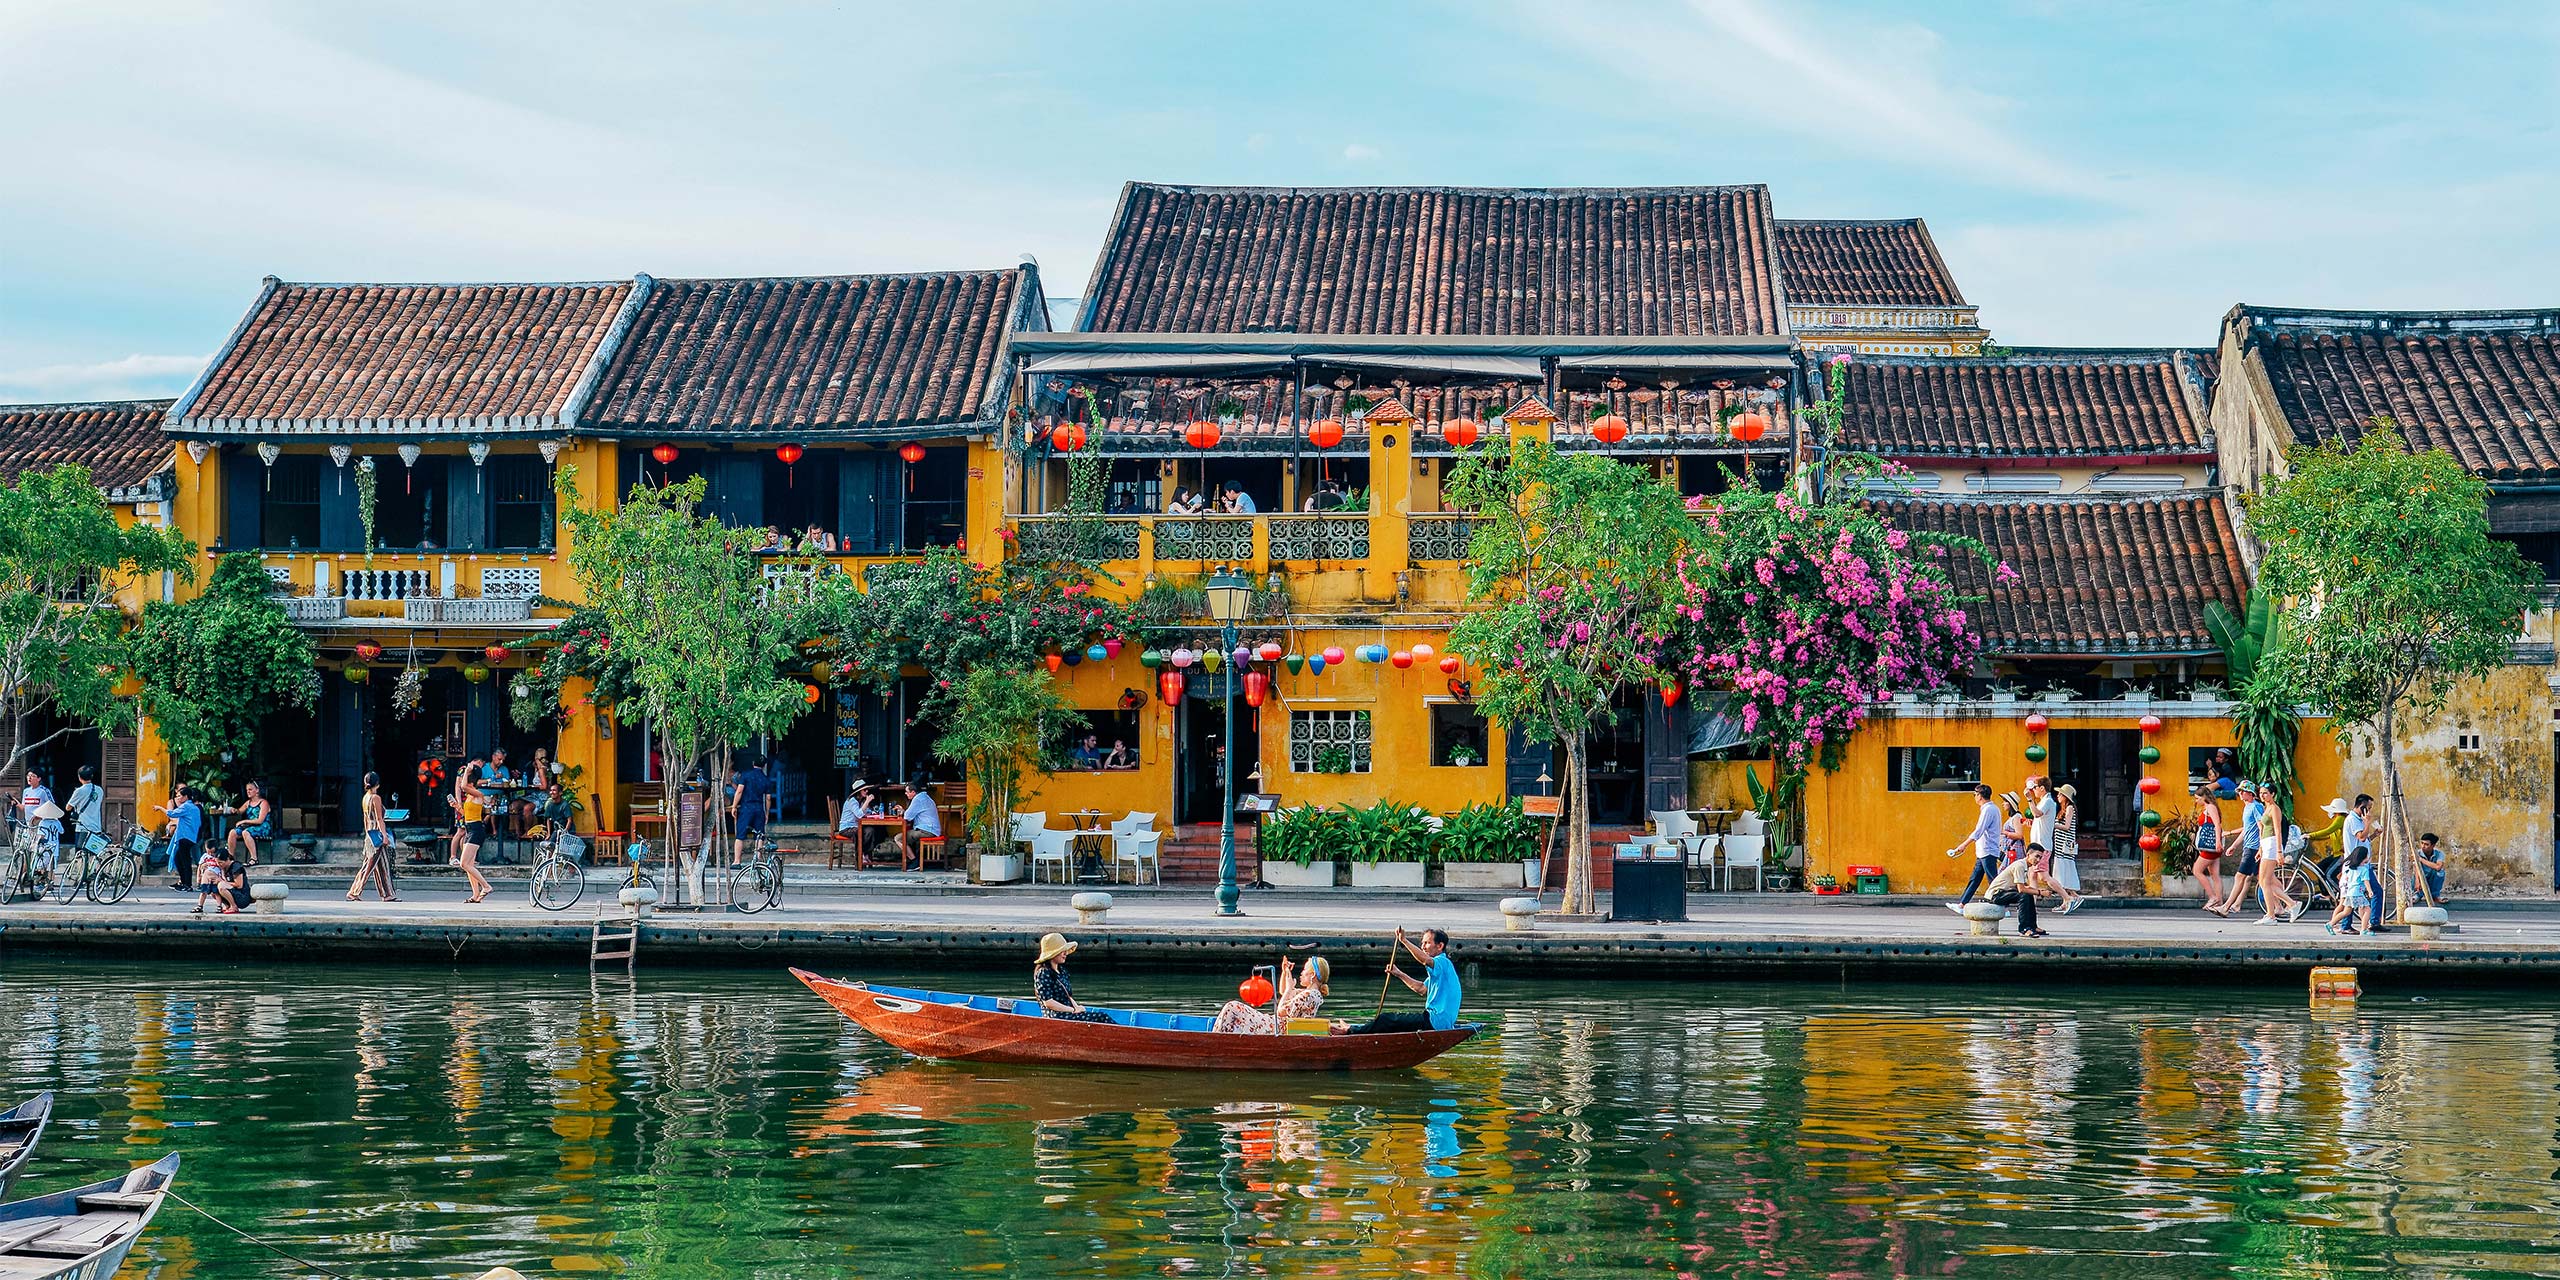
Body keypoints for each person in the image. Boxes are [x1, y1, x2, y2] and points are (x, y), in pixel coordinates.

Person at [1336, 928, 1462, 1035]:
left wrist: (1404, 941)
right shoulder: (1440, 972)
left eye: (1427, 943)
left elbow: (1425, 960)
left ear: (1440, 946)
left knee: (1385, 1019)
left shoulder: (1443, 962)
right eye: (1422, 943)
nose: (1423, 947)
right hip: (1438, 1021)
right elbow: (1421, 989)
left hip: (1435, 1020)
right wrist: (1399, 974)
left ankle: (1350, 1031)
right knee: (1390, 1023)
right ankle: (1358, 1030)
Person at [1214, 955, 1330, 1034]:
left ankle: (1214, 1038)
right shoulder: (1310, 993)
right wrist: (1285, 972)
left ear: (1312, 974)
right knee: (1232, 1008)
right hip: (1277, 1025)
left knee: (1232, 1007)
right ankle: (1218, 1036)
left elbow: (1281, 1010)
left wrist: (1290, 988)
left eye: (1304, 970)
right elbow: (1284, 992)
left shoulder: (1310, 995)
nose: (1301, 973)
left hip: (1278, 1027)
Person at [1944, 783, 2005, 913]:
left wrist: (1963, 845)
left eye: (1975, 794)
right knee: (1975, 879)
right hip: (1984, 850)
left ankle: (2003, 907)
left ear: (1980, 796)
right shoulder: (1992, 808)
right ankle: (1962, 904)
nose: (1974, 797)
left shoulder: (1988, 810)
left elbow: (1979, 830)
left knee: (1993, 880)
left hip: (1987, 850)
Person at [2208, 781, 2261, 918]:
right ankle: (2284, 906)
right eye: (2240, 791)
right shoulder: (2248, 808)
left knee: (2240, 876)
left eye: (2243, 791)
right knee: (2264, 879)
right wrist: (2234, 845)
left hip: (2253, 847)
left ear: (2250, 793)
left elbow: (2262, 827)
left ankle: (2226, 907)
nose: (2240, 794)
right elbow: (2247, 830)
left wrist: (2261, 847)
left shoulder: (2256, 807)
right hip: (2249, 846)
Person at [1032, 933, 1111, 1022]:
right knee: (1102, 1017)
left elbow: (1068, 996)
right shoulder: (1043, 973)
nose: (1065, 953)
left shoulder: (1061, 971)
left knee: (1102, 1016)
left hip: (1068, 1013)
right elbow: (1048, 1003)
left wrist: (1077, 1007)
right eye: (1062, 951)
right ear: (1053, 953)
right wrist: (1073, 1010)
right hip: (1055, 1017)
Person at [2252, 784, 2300, 925]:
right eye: (2261, 793)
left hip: (2273, 844)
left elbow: (2278, 831)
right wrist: (2260, 848)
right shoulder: (2266, 809)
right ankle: (2289, 904)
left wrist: (2279, 851)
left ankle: (2272, 914)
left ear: (2272, 794)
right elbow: (2263, 829)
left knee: (2264, 881)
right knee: (2266, 880)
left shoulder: (2275, 809)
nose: (2263, 795)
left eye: (2266, 793)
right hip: (2266, 844)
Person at [348, 771, 398, 902]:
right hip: (377, 833)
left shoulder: (365, 797)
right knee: (369, 865)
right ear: (377, 784)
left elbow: (366, 819)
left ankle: (387, 894)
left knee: (382, 865)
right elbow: (380, 819)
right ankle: (354, 891)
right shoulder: (375, 798)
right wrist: (384, 836)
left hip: (370, 833)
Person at [454, 761, 495, 904]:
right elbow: (467, 814)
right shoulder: (470, 796)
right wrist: (457, 807)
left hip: (477, 830)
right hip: (469, 828)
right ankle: (475, 895)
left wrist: (467, 770)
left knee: (464, 864)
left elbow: (463, 786)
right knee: (469, 865)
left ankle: (486, 886)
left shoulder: (477, 793)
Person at [1987, 846, 2050, 937]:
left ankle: (2033, 926)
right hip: (1995, 895)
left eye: (2040, 857)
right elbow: (2021, 889)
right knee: (2024, 896)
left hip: (2005, 892)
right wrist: (2040, 893)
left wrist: (2039, 890)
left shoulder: (2025, 866)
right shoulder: (2020, 865)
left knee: (2028, 895)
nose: (2038, 860)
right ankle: (2024, 929)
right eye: (2036, 856)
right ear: (2028, 854)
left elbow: (2024, 886)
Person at [887, 776, 943, 870]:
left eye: (907, 792)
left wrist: (903, 812)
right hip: (932, 829)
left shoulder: (917, 799)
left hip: (927, 831)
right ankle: (915, 859)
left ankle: (914, 861)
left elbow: (907, 817)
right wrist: (904, 811)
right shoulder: (925, 797)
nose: (905, 794)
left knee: (899, 838)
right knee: (909, 834)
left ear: (913, 792)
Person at [2048, 782, 2085, 913]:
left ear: (2065, 796)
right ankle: (2066, 901)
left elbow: (2067, 826)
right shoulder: (2063, 809)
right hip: (2060, 846)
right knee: (2061, 872)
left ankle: (2073, 896)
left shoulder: (2069, 808)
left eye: (2060, 794)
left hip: (2065, 845)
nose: (2058, 796)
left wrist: (2051, 825)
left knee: (2063, 871)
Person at [160, 784, 205, 890]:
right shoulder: (195, 808)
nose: (178, 798)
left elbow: (171, 813)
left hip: (185, 837)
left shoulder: (186, 806)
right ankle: (184, 882)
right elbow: (198, 824)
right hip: (190, 837)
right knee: (179, 859)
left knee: (184, 861)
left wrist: (159, 808)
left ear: (186, 797)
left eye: (180, 796)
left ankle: (187, 884)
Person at [730, 755, 773, 866]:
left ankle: (737, 861)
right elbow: (768, 798)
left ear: (753, 762)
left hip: (746, 808)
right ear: (764, 766)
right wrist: (767, 813)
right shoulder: (765, 779)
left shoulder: (746, 775)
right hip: (759, 809)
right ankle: (758, 860)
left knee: (740, 835)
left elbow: (739, 791)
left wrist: (734, 806)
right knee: (759, 835)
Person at [17, 769, 61, 876]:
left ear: (39, 778)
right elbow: (24, 807)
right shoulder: (26, 791)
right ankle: (25, 875)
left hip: (40, 826)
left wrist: (40, 817)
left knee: (39, 851)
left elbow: (51, 806)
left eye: (33, 775)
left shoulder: (43, 791)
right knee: (27, 851)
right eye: (28, 776)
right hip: (29, 826)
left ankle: (44, 875)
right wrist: (16, 803)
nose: (29, 778)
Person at [222, 779, 275, 866]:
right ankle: (230, 858)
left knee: (246, 832)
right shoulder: (248, 803)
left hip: (263, 827)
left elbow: (260, 820)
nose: (248, 792)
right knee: (233, 832)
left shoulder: (263, 803)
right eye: (247, 790)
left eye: (250, 789)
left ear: (257, 790)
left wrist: (244, 821)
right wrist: (234, 810)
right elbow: (239, 811)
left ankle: (254, 859)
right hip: (250, 826)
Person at [2190, 782, 2225, 911]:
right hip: (2213, 846)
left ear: (2204, 797)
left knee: (2197, 870)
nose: (2196, 801)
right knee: (2215, 874)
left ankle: (2212, 897)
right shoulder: (2209, 808)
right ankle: (2220, 902)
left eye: (2198, 798)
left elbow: (2217, 825)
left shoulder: (2210, 808)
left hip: (2211, 846)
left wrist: (2218, 842)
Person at [65, 765, 105, 855]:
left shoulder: (79, 791)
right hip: (96, 826)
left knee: (80, 854)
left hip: (83, 827)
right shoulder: (99, 790)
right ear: (91, 776)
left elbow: (68, 807)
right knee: (93, 853)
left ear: (79, 777)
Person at [2416, 831, 2448, 905]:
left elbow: (2438, 867)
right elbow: (2416, 869)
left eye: (2426, 844)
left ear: (2433, 845)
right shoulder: (2417, 853)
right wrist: (2417, 882)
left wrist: (2421, 860)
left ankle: (2435, 895)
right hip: (2421, 876)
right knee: (2419, 874)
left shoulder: (2439, 854)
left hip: (2432, 878)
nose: (2423, 846)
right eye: (2422, 843)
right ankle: (2417, 895)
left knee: (2441, 872)